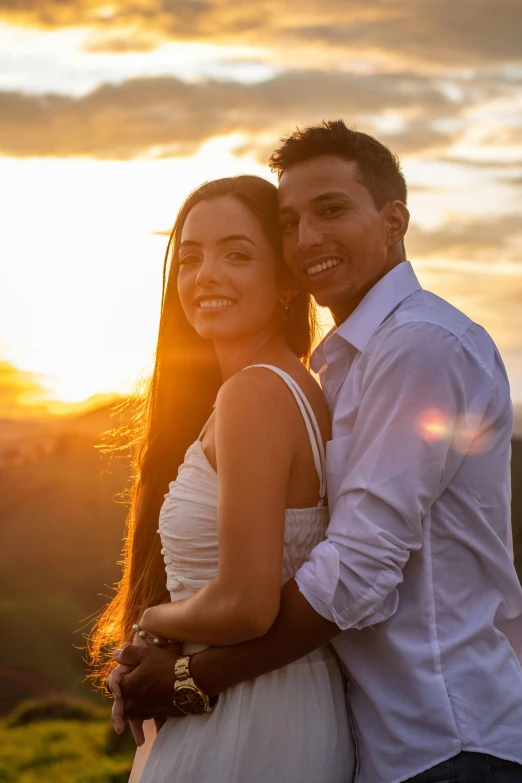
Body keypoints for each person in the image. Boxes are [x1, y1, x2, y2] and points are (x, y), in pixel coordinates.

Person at [110, 122, 522, 783]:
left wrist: (187, 672)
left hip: (446, 737)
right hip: (377, 738)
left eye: (331, 210)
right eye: (291, 220)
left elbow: (356, 568)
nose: (307, 239)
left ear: (394, 221)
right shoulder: (333, 370)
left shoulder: (420, 347)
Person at [91, 174, 354, 782]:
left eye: (237, 254)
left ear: (287, 278)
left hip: (248, 712)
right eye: (190, 257)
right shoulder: (284, 386)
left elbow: (245, 604)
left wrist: (150, 623)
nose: (206, 273)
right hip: (274, 698)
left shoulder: (255, 393)